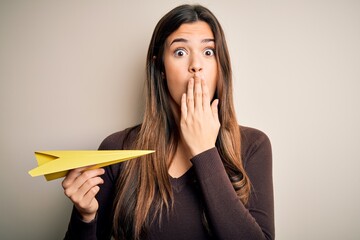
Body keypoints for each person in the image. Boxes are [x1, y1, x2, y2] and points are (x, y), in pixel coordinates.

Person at [62, 4, 274, 240]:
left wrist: (204, 151)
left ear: (220, 66)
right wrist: (85, 217)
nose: (196, 65)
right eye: (180, 52)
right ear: (160, 67)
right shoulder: (118, 148)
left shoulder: (254, 145)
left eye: (209, 52)